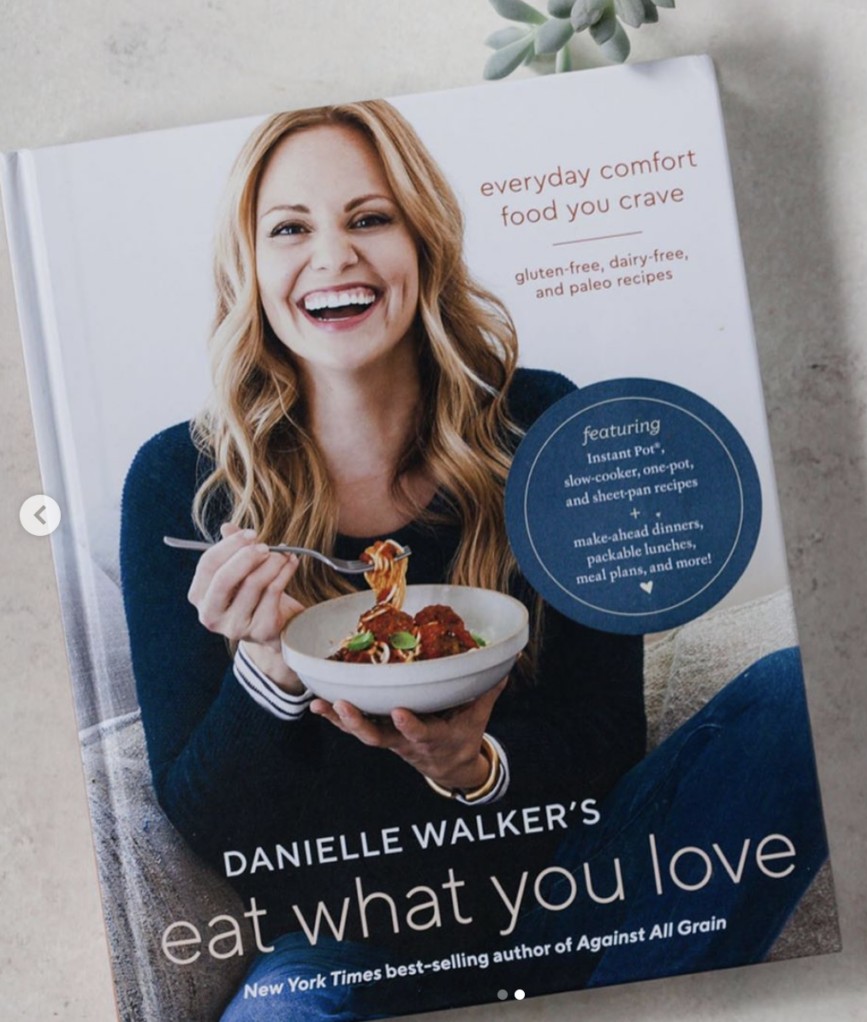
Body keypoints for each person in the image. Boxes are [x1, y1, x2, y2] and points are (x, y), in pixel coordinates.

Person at [121, 101, 829, 1021]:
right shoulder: (186, 481)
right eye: (290, 228)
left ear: (424, 242)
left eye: (369, 218)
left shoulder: (548, 428)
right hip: (358, 949)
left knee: (797, 695)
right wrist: (265, 665)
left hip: (581, 897)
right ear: (250, 267)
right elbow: (215, 828)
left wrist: (474, 765)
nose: (333, 256)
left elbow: (605, 735)